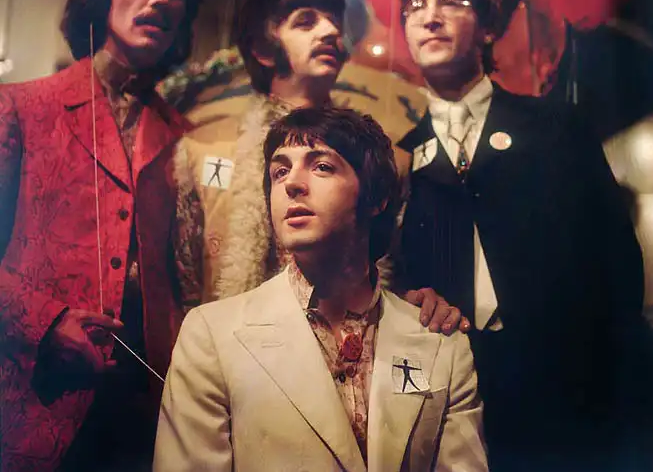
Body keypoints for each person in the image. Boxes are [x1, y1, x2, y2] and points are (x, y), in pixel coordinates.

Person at [393, 0, 648, 472]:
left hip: (570, 392)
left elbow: (616, 261)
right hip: (457, 400)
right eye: (415, 5)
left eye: (450, 0)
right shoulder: (399, 159)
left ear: (488, 27)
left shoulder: (555, 127)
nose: (430, 17)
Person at [154, 107, 488, 472]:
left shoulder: (440, 343)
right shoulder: (212, 336)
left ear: (376, 197)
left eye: (322, 166)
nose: (292, 184)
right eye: (279, 171)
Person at [0, 0, 205, 472]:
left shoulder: (183, 137)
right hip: (31, 397)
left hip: (143, 411)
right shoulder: (23, 108)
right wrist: (46, 322)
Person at [179, 0, 465, 334]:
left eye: (334, 22)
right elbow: (182, 286)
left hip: (354, 346)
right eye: (306, 21)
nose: (330, 31)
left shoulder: (383, 156)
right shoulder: (203, 151)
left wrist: (423, 301)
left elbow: (403, 271)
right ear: (263, 49)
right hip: (234, 346)